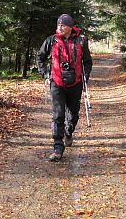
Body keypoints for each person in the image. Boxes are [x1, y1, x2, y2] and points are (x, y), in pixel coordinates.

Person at [36, 14, 93, 162]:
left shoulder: (81, 41)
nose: (59, 28)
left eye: (63, 26)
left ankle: (69, 131)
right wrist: (46, 74)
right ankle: (57, 148)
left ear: (70, 27)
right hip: (57, 83)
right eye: (58, 25)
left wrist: (85, 77)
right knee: (58, 115)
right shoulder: (51, 40)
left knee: (73, 115)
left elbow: (87, 61)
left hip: (76, 83)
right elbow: (40, 58)